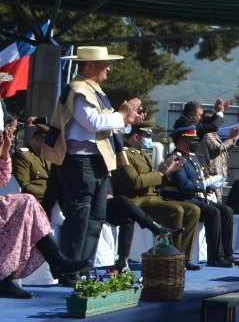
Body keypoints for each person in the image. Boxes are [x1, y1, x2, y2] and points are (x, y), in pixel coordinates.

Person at [42, 46, 146, 285]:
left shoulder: (93, 90)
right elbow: (93, 122)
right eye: (104, 63)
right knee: (79, 216)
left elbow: (105, 124)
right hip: (80, 162)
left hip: (96, 162)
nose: (108, 68)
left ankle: (82, 268)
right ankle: (69, 270)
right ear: (89, 65)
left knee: (96, 216)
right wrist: (123, 116)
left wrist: (127, 119)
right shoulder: (79, 90)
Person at [0, 118, 92, 298]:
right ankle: (55, 261)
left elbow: (2, 179)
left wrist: (4, 153)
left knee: (28, 204)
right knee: (26, 202)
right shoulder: (25, 155)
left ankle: (7, 278)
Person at [111, 127, 201, 269]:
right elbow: (135, 183)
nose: (150, 138)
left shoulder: (143, 154)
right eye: (147, 134)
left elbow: (155, 180)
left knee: (193, 210)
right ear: (135, 136)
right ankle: (170, 258)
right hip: (137, 200)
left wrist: (167, 171)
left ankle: (183, 257)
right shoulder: (123, 155)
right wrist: (160, 173)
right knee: (175, 210)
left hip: (153, 198)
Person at [161, 123, 237, 266]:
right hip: (183, 200)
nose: (196, 142)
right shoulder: (176, 158)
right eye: (192, 140)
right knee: (213, 213)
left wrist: (211, 183)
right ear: (182, 141)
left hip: (196, 199)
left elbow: (201, 178)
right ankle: (215, 257)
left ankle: (227, 253)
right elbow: (183, 185)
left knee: (227, 210)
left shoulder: (193, 158)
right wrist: (204, 185)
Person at [199, 116, 239, 202]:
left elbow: (224, 151)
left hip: (219, 175)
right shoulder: (207, 134)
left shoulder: (215, 135)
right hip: (212, 174)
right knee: (213, 201)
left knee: (218, 200)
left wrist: (233, 140)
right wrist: (230, 139)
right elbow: (217, 149)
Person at [12, 122, 53, 208]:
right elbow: (23, 186)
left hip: (51, 204)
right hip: (33, 205)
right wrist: (51, 193)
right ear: (37, 139)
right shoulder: (23, 156)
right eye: (48, 143)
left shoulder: (47, 158)